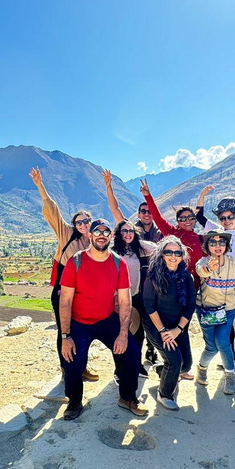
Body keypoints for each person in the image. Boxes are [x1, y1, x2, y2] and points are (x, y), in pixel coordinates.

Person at [59, 219, 148, 420]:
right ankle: (74, 402)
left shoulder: (118, 263)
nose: (101, 235)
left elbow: (125, 301)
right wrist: (66, 335)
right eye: (96, 231)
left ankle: (127, 397)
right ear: (89, 235)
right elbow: (65, 301)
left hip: (106, 319)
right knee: (73, 360)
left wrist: (124, 334)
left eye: (105, 232)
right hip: (80, 322)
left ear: (110, 236)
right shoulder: (76, 261)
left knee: (132, 352)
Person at [30, 166, 99, 382]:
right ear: (74, 224)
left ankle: (81, 366)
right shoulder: (66, 234)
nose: (83, 225)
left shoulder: (98, 241)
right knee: (65, 331)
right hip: (63, 293)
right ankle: (67, 369)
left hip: (85, 294)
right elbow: (52, 210)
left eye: (86, 221)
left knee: (83, 331)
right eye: (79, 222)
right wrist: (40, 185)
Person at [195, 186, 235, 381]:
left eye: (230, 217)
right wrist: (201, 196)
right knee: (227, 321)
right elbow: (200, 218)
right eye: (223, 218)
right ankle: (230, 355)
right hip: (222, 283)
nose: (226, 221)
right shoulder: (217, 233)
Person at [103, 169, 161, 366]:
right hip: (121, 292)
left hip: (144, 287)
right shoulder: (125, 236)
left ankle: (145, 356)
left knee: (142, 325)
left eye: (149, 211)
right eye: (143, 211)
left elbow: (161, 249)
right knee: (122, 328)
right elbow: (115, 210)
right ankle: (122, 367)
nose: (146, 214)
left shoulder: (154, 234)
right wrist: (109, 187)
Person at [195, 231, 235, 395]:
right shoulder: (203, 261)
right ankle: (202, 368)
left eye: (221, 243)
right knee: (211, 348)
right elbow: (201, 271)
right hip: (207, 309)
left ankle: (230, 377)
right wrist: (210, 268)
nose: (218, 246)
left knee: (223, 341)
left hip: (227, 310)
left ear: (226, 246)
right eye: (213, 243)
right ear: (207, 246)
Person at [143, 236, 196, 411]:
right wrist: (165, 331)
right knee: (175, 361)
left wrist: (178, 329)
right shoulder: (153, 275)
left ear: (182, 256)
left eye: (177, 253)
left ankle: (163, 371)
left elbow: (190, 305)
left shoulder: (186, 276)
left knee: (186, 365)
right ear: (162, 255)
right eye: (169, 252)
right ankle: (164, 394)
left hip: (178, 326)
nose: (173, 256)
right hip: (157, 326)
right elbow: (149, 306)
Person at [139, 178, 204, 291]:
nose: (187, 221)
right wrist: (148, 197)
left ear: (195, 220)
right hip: (173, 288)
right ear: (178, 221)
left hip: (196, 290)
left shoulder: (201, 239)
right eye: (183, 219)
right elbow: (158, 218)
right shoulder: (173, 233)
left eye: (191, 218)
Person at [111, 219, 156, 378]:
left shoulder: (137, 250)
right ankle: (119, 370)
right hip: (117, 300)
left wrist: (136, 240)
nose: (128, 234)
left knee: (138, 334)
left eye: (131, 231)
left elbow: (155, 248)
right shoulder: (112, 252)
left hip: (135, 297)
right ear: (118, 234)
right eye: (124, 231)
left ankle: (136, 366)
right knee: (119, 335)